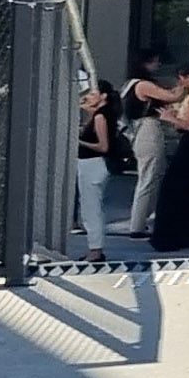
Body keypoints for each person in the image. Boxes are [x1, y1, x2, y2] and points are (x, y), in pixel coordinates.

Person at [145, 64, 189, 255]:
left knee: (174, 188)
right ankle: (188, 234)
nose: (179, 82)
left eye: (181, 78)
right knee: (187, 188)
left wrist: (169, 118)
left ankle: (171, 235)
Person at [118, 49, 172, 240]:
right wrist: (185, 86)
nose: (157, 65)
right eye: (154, 62)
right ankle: (138, 224)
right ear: (145, 64)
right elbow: (170, 97)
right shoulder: (143, 85)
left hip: (140, 131)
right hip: (147, 130)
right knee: (148, 177)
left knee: (152, 175)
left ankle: (141, 220)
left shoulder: (131, 84)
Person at [73, 82, 119, 263]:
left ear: (104, 96)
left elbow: (103, 146)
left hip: (93, 164)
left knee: (91, 208)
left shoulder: (101, 116)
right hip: (89, 165)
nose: (88, 97)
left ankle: (95, 250)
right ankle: (94, 248)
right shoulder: (100, 113)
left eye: (93, 94)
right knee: (90, 207)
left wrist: (80, 142)